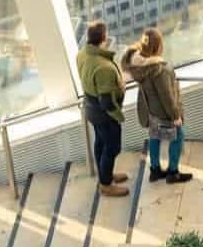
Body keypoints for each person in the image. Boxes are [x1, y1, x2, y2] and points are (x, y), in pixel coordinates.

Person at [120, 27, 190, 185]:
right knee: (178, 137)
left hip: (150, 111)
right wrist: (175, 116)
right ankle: (173, 172)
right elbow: (167, 96)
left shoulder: (138, 66)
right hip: (164, 112)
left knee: (154, 137)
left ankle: (155, 170)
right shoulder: (160, 69)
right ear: (158, 46)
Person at [76, 21, 129, 197]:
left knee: (100, 142)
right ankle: (106, 184)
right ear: (104, 38)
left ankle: (104, 175)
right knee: (113, 147)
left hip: (91, 108)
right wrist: (118, 114)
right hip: (104, 114)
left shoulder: (82, 54)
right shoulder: (103, 67)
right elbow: (107, 101)